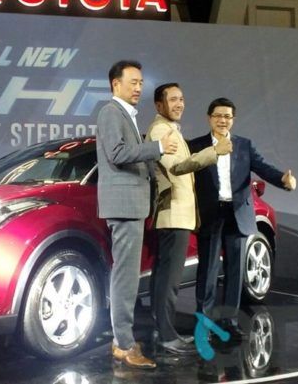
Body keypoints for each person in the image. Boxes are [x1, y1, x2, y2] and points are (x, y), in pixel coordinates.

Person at [189, 97, 296, 340]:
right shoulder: (196, 145)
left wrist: (283, 180)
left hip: (237, 213)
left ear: (233, 120)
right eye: (218, 116)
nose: (223, 120)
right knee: (207, 271)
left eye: (227, 116)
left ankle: (229, 321)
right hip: (210, 213)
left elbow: (263, 168)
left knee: (235, 271)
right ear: (209, 118)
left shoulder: (244, 145)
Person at [96, 60, 178, 369]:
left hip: (132, 206)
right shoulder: (110, 112)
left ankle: (124, 340)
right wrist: (157, 147)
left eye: (141, 82)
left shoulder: (125, 115)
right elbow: (117, 153)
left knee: (127, 276)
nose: (139, 87)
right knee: (125, 278)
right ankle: (123, 344)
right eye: (133, 82)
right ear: (115, 84)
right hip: (124, 206)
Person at [145, 83, 232, 355]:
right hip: (173, 214)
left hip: (176, 215)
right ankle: (166, 335)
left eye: (181, 99)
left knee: (165, 278)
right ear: (159, 105)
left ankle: (163, 331)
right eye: (173, 99)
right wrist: (214, 152)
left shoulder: (170, 129)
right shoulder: (160, 130)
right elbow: (177, 167)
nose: (180, 104)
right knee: (168, 280)